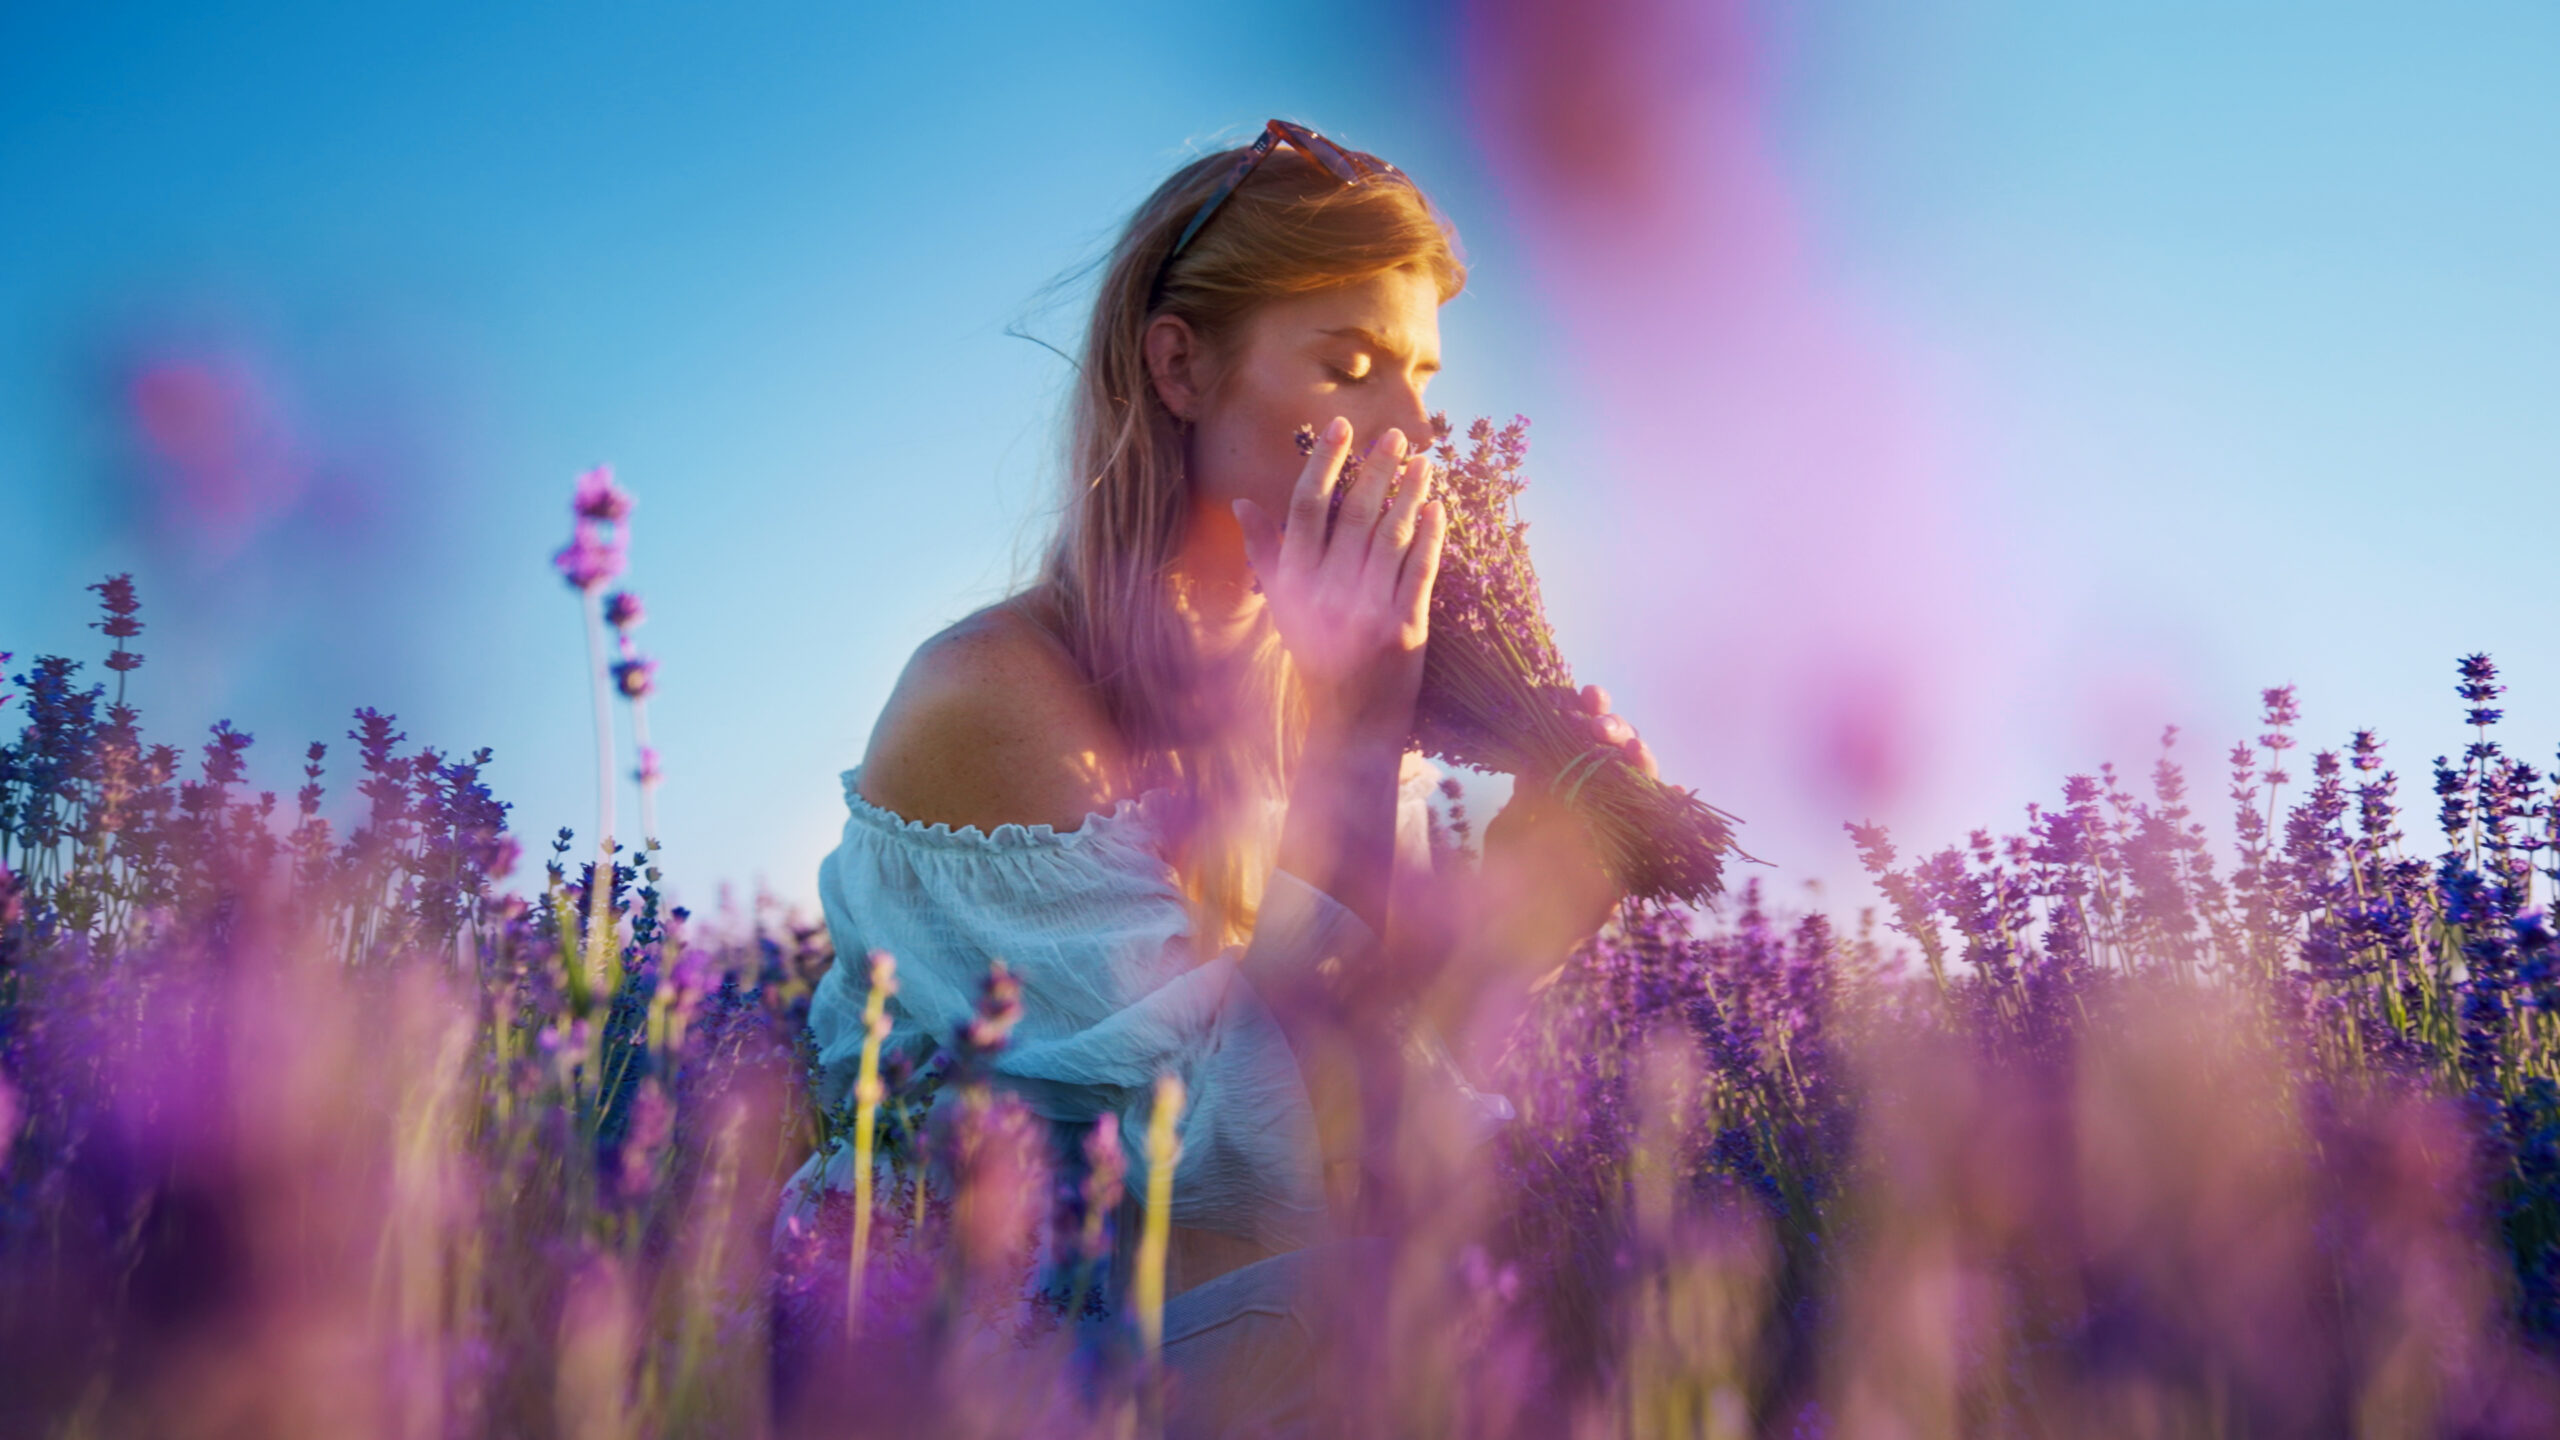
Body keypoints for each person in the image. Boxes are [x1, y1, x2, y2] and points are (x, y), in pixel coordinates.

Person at [786, 120, 1653, 1433]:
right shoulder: (994, 697)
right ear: (1181, 367)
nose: (1413, 428)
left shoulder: (1311, 692)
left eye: (1423, 374)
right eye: (1351, 366)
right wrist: (1358, 737)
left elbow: (1363, 1088)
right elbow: (1237, 1174)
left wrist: (1526, 908)